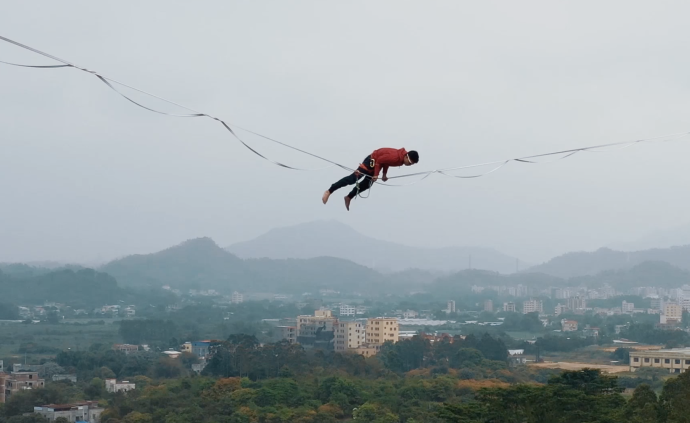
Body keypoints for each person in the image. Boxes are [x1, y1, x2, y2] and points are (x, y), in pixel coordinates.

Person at [322, 148, 419, 210]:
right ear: (406, 156)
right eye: (410, 162)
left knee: (367, 184)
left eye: (412, 164)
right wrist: (376, 174)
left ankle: (349, 197)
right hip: (372, 160)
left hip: (378, 163)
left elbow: (386, 162)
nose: (409, 165)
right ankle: (329, 191)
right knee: (353, 179)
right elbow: (380, 160)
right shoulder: (396, 157)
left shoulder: (400, 159)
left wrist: (384, 175)